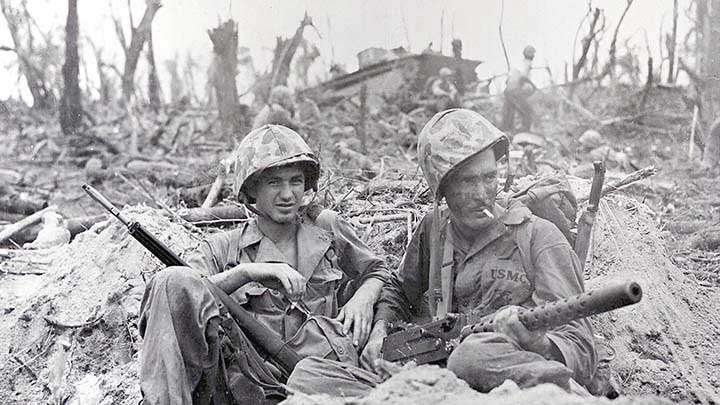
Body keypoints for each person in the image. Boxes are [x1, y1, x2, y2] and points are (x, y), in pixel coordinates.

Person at [288, 109, 596, 396]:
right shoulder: (434, 228)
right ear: (443, 187)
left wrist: (538, 342)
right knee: (308, 374)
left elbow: (581, 347)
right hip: (430, 375)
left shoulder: (538, 237)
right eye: (466, 181)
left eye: (489, 177)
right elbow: (398, 289)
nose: (481, 194)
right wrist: (380, 330)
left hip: (501, 377)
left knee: (470, 357)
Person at [138, 124, 390, 404]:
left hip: (321, 377)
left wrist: (363, 298)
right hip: (248, 384)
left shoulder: (326, 228)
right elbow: (178, 297)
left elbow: (378, 271)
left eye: (295, 181)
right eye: (274, 182)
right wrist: (245, 273)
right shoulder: (223, 248)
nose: (287, 194)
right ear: (252, 189)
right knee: (171, 278)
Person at [502, 45, 537, 133]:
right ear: (530, 54)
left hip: (508, 90)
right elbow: (523, 77)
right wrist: (533, 86)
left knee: (509, 113)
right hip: (515, 90)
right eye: (533, 54)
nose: (534, 56)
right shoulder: (527, 63)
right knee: (527, 112)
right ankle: (525, 132)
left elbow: (507, 80)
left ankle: (506, 131)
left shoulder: (518, 64)